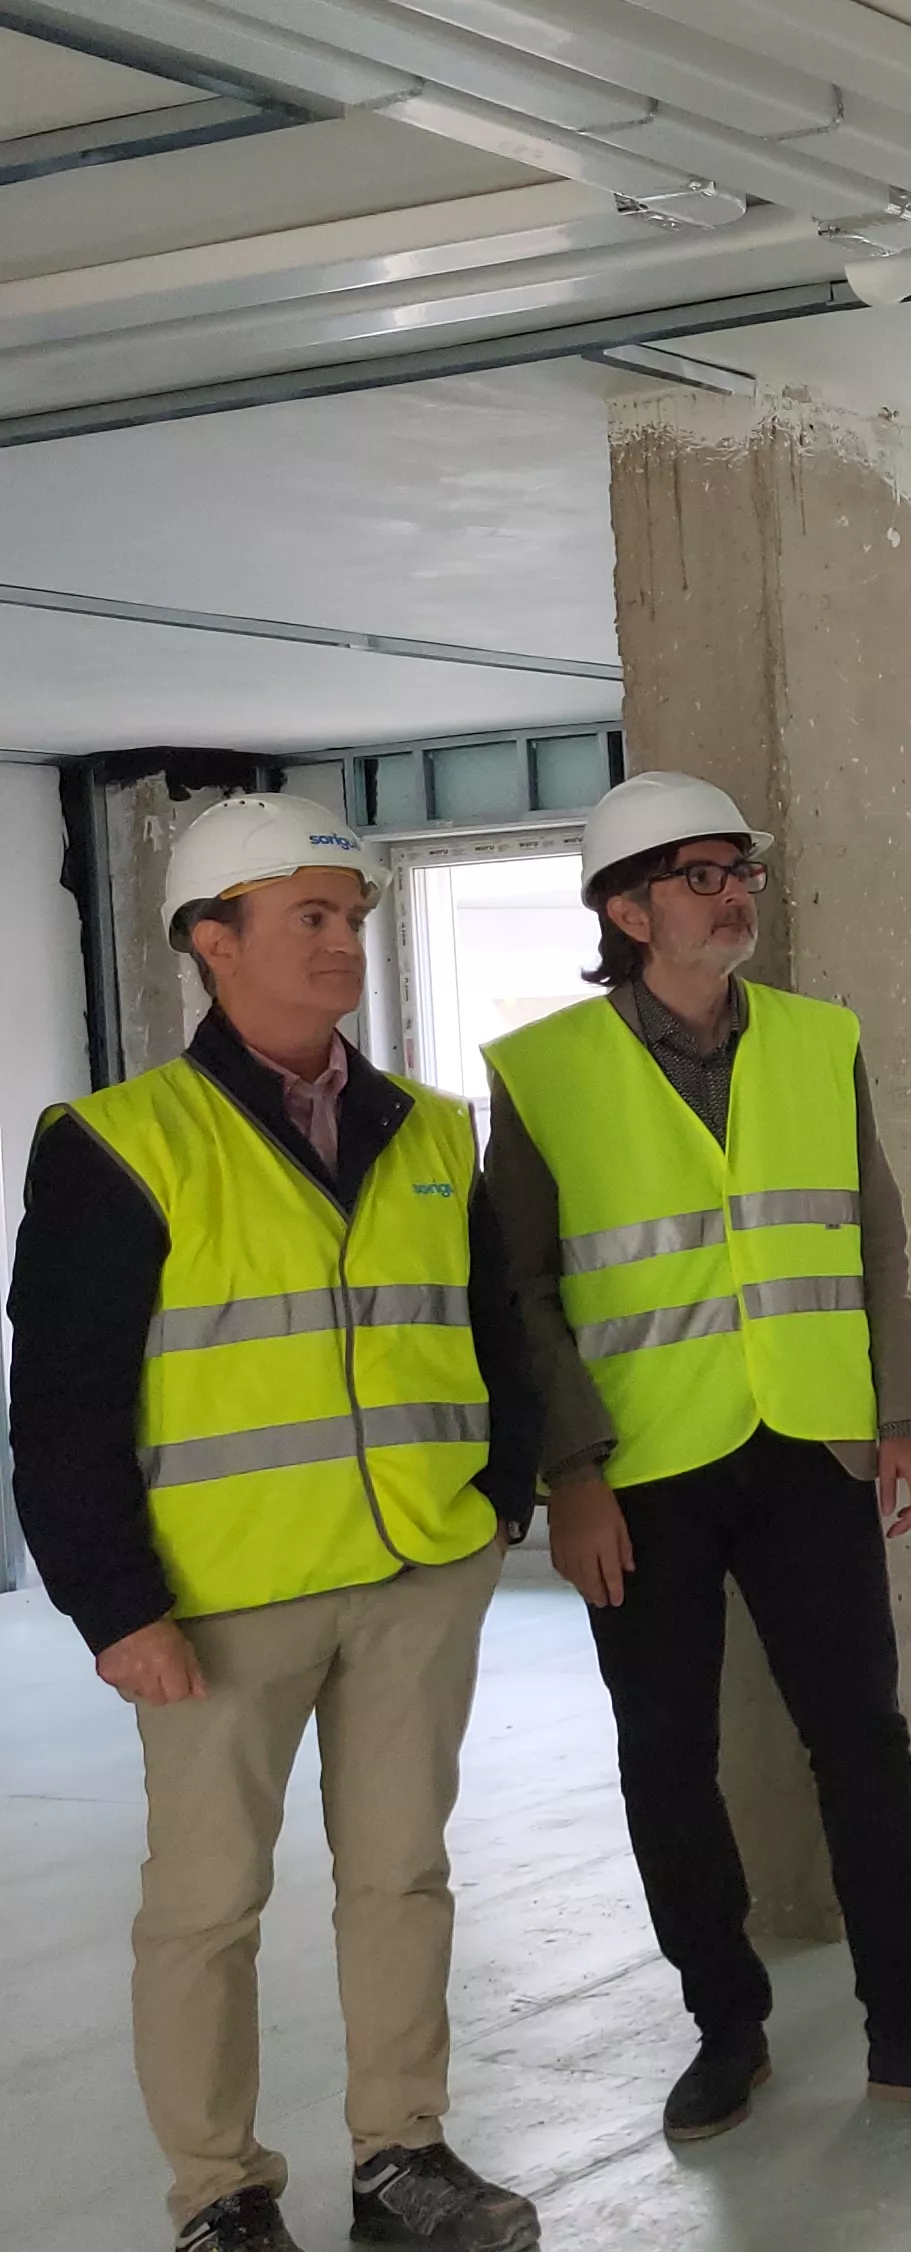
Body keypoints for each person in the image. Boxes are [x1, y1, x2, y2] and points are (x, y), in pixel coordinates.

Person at [6, 795, 542, 2252]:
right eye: (310, 916)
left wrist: (497, 1503)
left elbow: (493, 1335)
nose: (343, 942)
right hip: (221, 1597)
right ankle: (220, 2194)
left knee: (402, 1878)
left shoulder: (432, 1130)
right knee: (206, 1905)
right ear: (211, 939)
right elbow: (60, 1401)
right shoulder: (123, 1144)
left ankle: (401, 2155)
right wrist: (117, 1605)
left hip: (417, 1572)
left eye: (353, 917)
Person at [481, 770, 911, 2143]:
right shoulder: (542, 1069)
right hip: (641, 1468)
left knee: (864, 1738)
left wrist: (901, 1418)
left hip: (808, 1444)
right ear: (626, 910)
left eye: (743, 873)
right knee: (667, 1752)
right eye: (702, 876)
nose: (734, 897)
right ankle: (725, 2027)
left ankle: (908, 2022)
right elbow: (521, 1292)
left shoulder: (816, 1038)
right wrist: (571, 1472)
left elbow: (874, 1236)